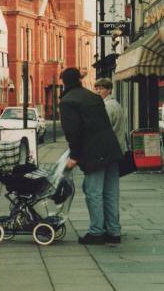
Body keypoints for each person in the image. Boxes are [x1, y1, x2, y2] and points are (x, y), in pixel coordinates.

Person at [59, 67, 123, 245]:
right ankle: (113, 231)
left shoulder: (67, 101)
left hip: (94, 152)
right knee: (111, 192)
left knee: (93, 191)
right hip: (111, 148)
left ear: (64, 81)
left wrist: (74, 155)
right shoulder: (93, 97)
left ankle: (96, 232)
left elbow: (73, 132)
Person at [94, 78, 127, 154]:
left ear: (109, 90)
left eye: (101, 89)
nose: (98, 91)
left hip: (110, 151)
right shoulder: (114, 103)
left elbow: (103, 129)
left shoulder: (107, 106)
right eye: (96, 89)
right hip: (117, 148)